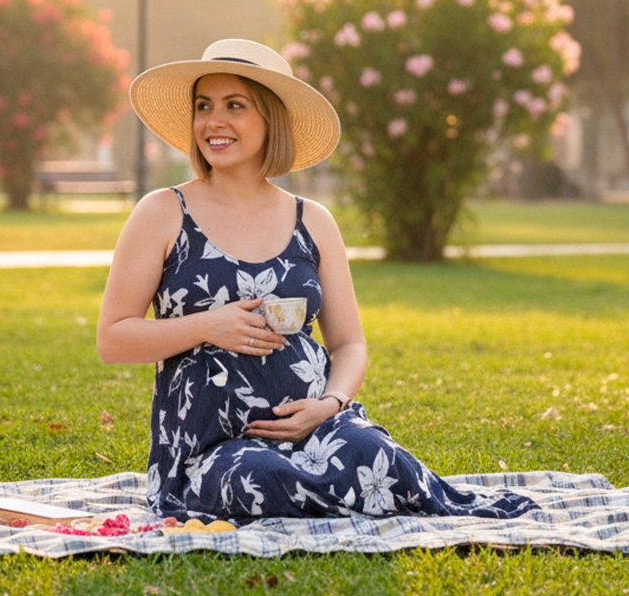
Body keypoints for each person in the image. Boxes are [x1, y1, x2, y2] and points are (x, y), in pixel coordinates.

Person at [97, 38, 538, 524]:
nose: (212, 121)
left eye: (234, 106)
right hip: (210, 447)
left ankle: (337, 486)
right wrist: (208, 326)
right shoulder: (163, 212)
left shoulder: (313, 220)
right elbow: (114, 338)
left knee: (376, 452)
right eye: (204, 106)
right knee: (259, 476)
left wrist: (329, 405)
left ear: (271, 120)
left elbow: (349, 343)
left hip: (316, 426)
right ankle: (341, 497)